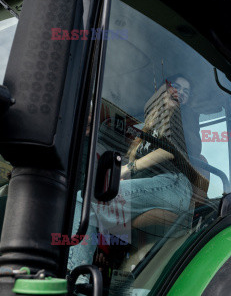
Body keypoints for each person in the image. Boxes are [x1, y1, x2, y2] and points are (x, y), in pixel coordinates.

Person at [68, 74, 208, 272]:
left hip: (173, 185)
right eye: (176, 87)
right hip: (155, 188)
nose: (181, 94)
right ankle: (85, 274)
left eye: (186, 92)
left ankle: (75, 276)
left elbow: (170, 150)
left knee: (83, 201)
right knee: (90, 206)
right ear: (162, 91)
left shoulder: (184, 118)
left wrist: (129, 168)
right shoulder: (148, 129)